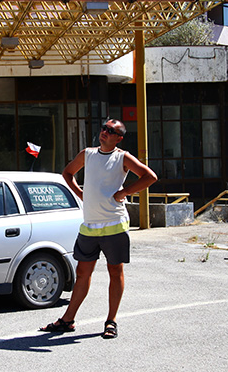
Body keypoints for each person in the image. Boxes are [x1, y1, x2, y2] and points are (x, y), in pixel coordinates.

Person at [39, 119, 157, 339]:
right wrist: (80, 193)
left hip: (114, 224)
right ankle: (68, 320)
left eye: (111, 131)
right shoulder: (88, 154)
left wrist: (124, 193)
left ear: (119, 137)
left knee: (115, 271)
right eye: (104, 128)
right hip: (90, 226)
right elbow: (67, 173)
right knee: (82, 273)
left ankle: (111, 321)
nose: (104, 132)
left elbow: (150, 177)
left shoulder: (122, 157)